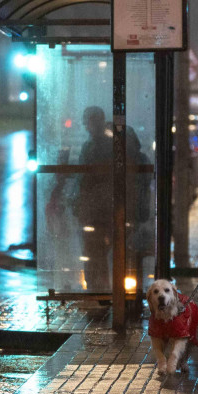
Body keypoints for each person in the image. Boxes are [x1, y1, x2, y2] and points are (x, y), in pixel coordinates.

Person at [76, 106, 114, 292]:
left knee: (94, 252)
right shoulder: (101, 144)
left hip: (97, 209)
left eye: (88, 121)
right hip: (101, 208)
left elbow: (84, 178)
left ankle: (97, 290)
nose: (86, 126)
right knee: (98, 252)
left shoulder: (96, 146)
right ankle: (100, 289)